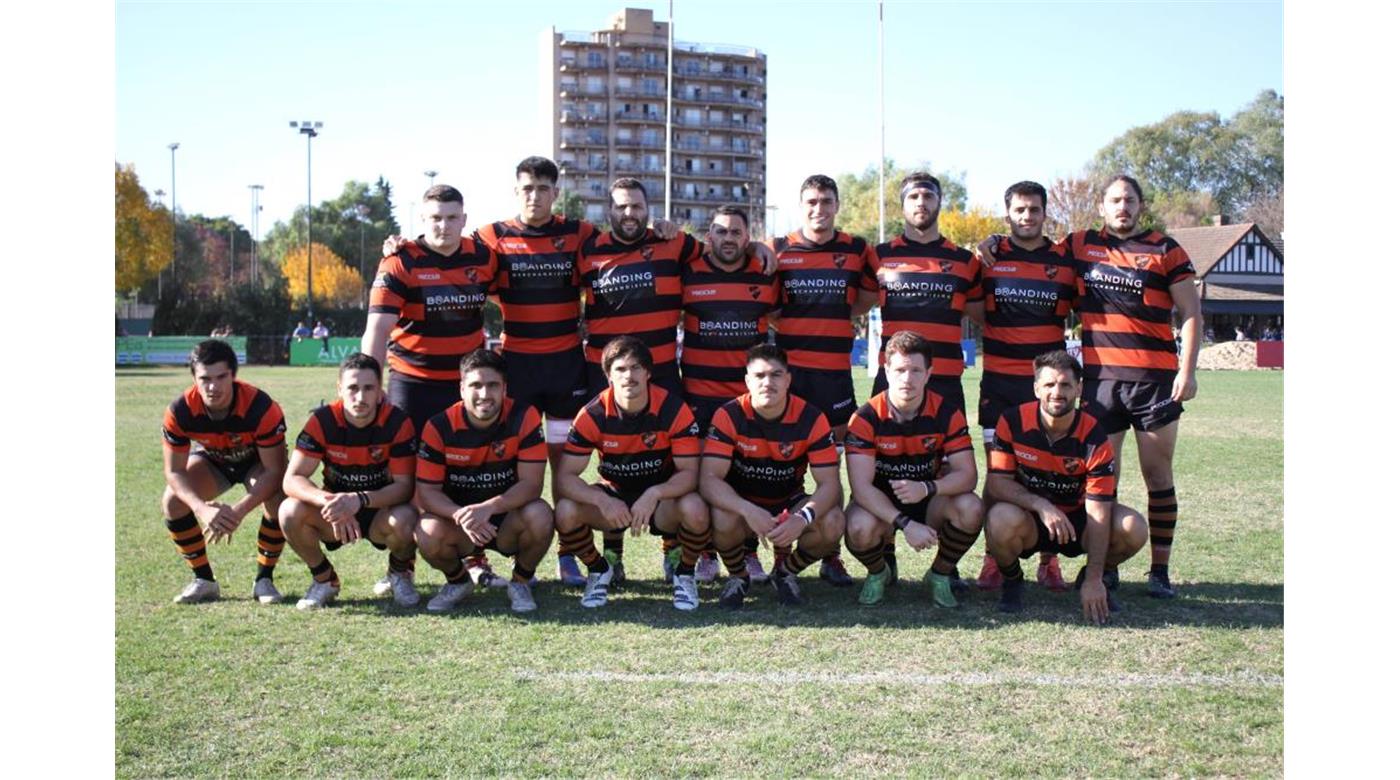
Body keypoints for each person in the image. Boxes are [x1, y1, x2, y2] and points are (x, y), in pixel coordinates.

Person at [978, 175, 1202, 598]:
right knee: (1103, 478)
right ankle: (1101, 567)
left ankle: (1160, 571)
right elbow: (1027, 240)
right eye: (1115, 200)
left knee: (1158, 475)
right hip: (1099, 381)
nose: (1123, 207)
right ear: (1101, 206)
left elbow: (1191, 311)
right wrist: (990, 239)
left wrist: (1187, 371)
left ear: (1140, 205)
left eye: (1130, 200)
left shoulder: (1165, 249)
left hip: (1154, 381)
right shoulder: (1078, 246)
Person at [360, 183, 503, 590]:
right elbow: (377, 330)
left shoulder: (483, 257)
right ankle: (400, 566)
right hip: (412, 383)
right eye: (435, 218)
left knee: (470, 472)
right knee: (406, 477)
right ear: (421, 221)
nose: (444, 225)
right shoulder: (399, 260)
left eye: (452, 217)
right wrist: (372, 386)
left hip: (466, 387)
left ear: (464, 219)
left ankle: (475, 559)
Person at [964, 181, 1079, 593]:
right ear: (1007, 214)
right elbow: (976, 311)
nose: (1027, 217)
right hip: (999, 385)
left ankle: (1051, 561)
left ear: (1045, 213)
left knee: (1052, 472)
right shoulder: (989, 258)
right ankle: (994, 559)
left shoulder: (1065, 261)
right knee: (999, 473)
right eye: (1019, 210)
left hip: (1050, 391)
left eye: (1034, 210)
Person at [765, 174, 878, 587]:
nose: (819, 209)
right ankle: (780, 553)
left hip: (834, 379)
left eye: (826, 201)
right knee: (784, 467)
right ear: (801, 205)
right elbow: (769, 305)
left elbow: (868, 297)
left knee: (831, 466)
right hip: (791, 379)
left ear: (836, 205)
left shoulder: (856, 249)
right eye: (811, 201)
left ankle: (831, 555)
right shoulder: (779, 249)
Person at [983, 350, 1148, 622]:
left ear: (1079, 389)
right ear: (1036, 388)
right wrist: (1041, 505)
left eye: (1065, 385)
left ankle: (1094, 578)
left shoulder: (1095, 435)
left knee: (1133, 528)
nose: (1056, 392)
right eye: (1049, 385)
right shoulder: (1011, 421)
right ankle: (1013, 581)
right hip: (1031, 520)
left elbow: (1099, 511)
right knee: (998, 517)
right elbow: (998, 485)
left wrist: (1095, 577)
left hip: (1080, 522)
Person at [553, 336, 708, 610]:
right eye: (620, 369)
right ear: (608, 376)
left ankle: (684, 574)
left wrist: (655, 492)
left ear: (648, 372)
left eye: (636, 368)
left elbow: (690, 474)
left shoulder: (673, 408)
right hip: (615, 494)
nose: (629, 376)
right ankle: (600, 568)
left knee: (695, 508)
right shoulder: (593, 413)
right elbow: (565, 477)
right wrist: (602, 499)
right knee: (566, 510)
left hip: (662, 499)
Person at [843, 331, 983, 607]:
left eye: (916, 370)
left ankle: (939, 575)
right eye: (900, 370)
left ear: (929, 373)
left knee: (972, 508)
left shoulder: (947, 412)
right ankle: (879, 572)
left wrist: (927, 488)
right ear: (886, 371)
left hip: (929, 499)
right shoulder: (865, 417)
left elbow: (968, 475)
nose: (907, 379)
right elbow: (861, 488)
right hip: (880, 506)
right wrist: (904, 524)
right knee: (858, 526)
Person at [680, 204, 781, 585]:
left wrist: (763, 249)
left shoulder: (766, 274)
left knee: (747, 475)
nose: (728, 238)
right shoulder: (689, 273)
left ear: (747, 237)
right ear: (710, 237)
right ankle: (706, 552)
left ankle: (749, 551)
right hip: (699, 395)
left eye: (736, 232)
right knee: (706, 476)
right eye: (721, 231)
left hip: (748, 399)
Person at [700, 344, 845, 608]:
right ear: (747, 380)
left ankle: (785, 572)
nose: (768, 382)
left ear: (788, 379)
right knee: (721, 513)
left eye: (776, 375)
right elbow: (709, 480)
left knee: (833, 520)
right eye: (759, 376)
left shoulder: (811, 417)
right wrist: (746, 509)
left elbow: (830, 484)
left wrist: (802, 518)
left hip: (789, 502)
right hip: (743, 503)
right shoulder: (729, 414)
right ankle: (738, 576)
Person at [413, 349, 555, 613]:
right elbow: (427, 493)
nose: (484, 394)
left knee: (541, 515)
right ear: (462, 389)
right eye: (476, 385)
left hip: (507, 519)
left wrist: (489, 507)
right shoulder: (439, 425)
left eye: (492, 385)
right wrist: (460, 515)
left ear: (504, 388)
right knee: (426, 530)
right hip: (460, 523)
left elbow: (532, 485)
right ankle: (458, 582)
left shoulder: (525, 416)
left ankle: (520, 582)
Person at [278, 353, 420, 610]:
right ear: (339, 389)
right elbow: (292, 479)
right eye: (353, 388)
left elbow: (404, 487)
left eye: (369, 388)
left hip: (380, 510)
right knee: (289, 511)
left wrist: (358, 500)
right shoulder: (323, 420)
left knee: (407, 518)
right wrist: (333, 502)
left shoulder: (397, 422)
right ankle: (324, 580)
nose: (361, 397)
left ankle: (399, 573)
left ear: (380, 391)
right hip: (335, 514)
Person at [159, 339, 289, 604]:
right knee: (172, 501)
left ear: (234, 375)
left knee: (277, 499)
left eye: (221, 377)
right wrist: (202, 509)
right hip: (214, 459)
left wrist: (238, 511)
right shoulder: (179, 410)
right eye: (204, 378)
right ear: (194, 377)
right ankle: (203, 580)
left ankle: (264, 579)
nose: (213, 386)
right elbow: (174, 472)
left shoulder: (261, 407)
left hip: (257, 463)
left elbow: (275, 471)